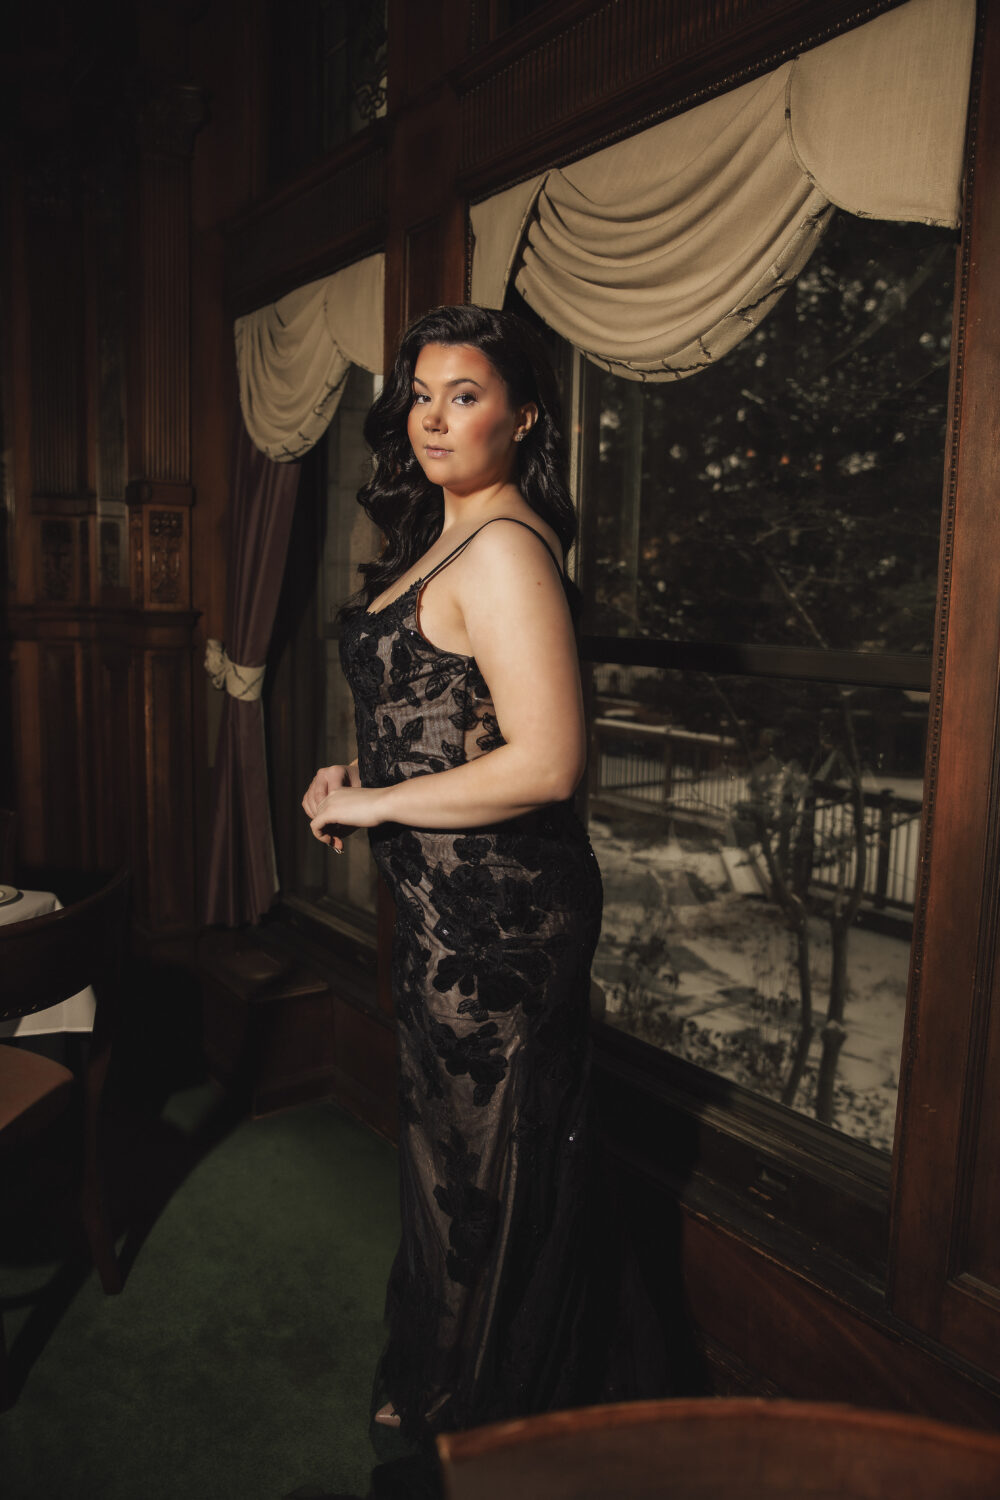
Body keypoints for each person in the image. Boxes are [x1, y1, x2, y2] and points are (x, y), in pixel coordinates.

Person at [301, 304, 611, 1447]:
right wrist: (363, 768)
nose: (433, 418)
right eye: (421, 395)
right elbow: (442, 711)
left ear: (522, 415)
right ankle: (444, 1389)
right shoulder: (447, 531)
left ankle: (481, 1423)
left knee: (486, 1176)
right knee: (444, 1158)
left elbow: (546, 759)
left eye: (464, 395)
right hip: (440, 909)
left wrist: (376, 801)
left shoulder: (509, 547)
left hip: (500, 925)